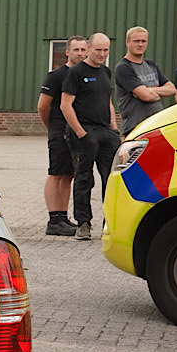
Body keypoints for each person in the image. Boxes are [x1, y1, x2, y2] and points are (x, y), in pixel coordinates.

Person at [61, 32, 120, 241]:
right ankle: (83, 223)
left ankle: (109, 222)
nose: (102, 54)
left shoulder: (106, 71)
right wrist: (80, 132)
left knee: (111, 179)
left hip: (106, 132)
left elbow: (108, 101)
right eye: (98, 50)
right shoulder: (76, 73)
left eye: (106, 50)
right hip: (84, 132)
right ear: (89, 49)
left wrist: (114, 129)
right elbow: (65, 105)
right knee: (84, 179)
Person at [39, 36, 86, 237]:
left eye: (83, 50)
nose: (80, 53)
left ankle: (63, 216)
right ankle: (54, 220)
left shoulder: (85, 74)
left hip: (76, 130)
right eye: (76, 49)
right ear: (67, 52)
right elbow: (43, 106)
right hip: (59, 130)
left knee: (68, 175)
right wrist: (52, 128)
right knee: (56, 173)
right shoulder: (56, 76)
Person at [114, 25, 176, 136]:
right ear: (127, 42)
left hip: (157, 124)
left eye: (143, 41)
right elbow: (146, 96)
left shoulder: (151, 65)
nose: (140, 44)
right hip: (136, 127)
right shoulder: (123, 68)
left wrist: (149, 90)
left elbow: (172, 89)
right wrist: (156, 93)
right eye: (136, 41)